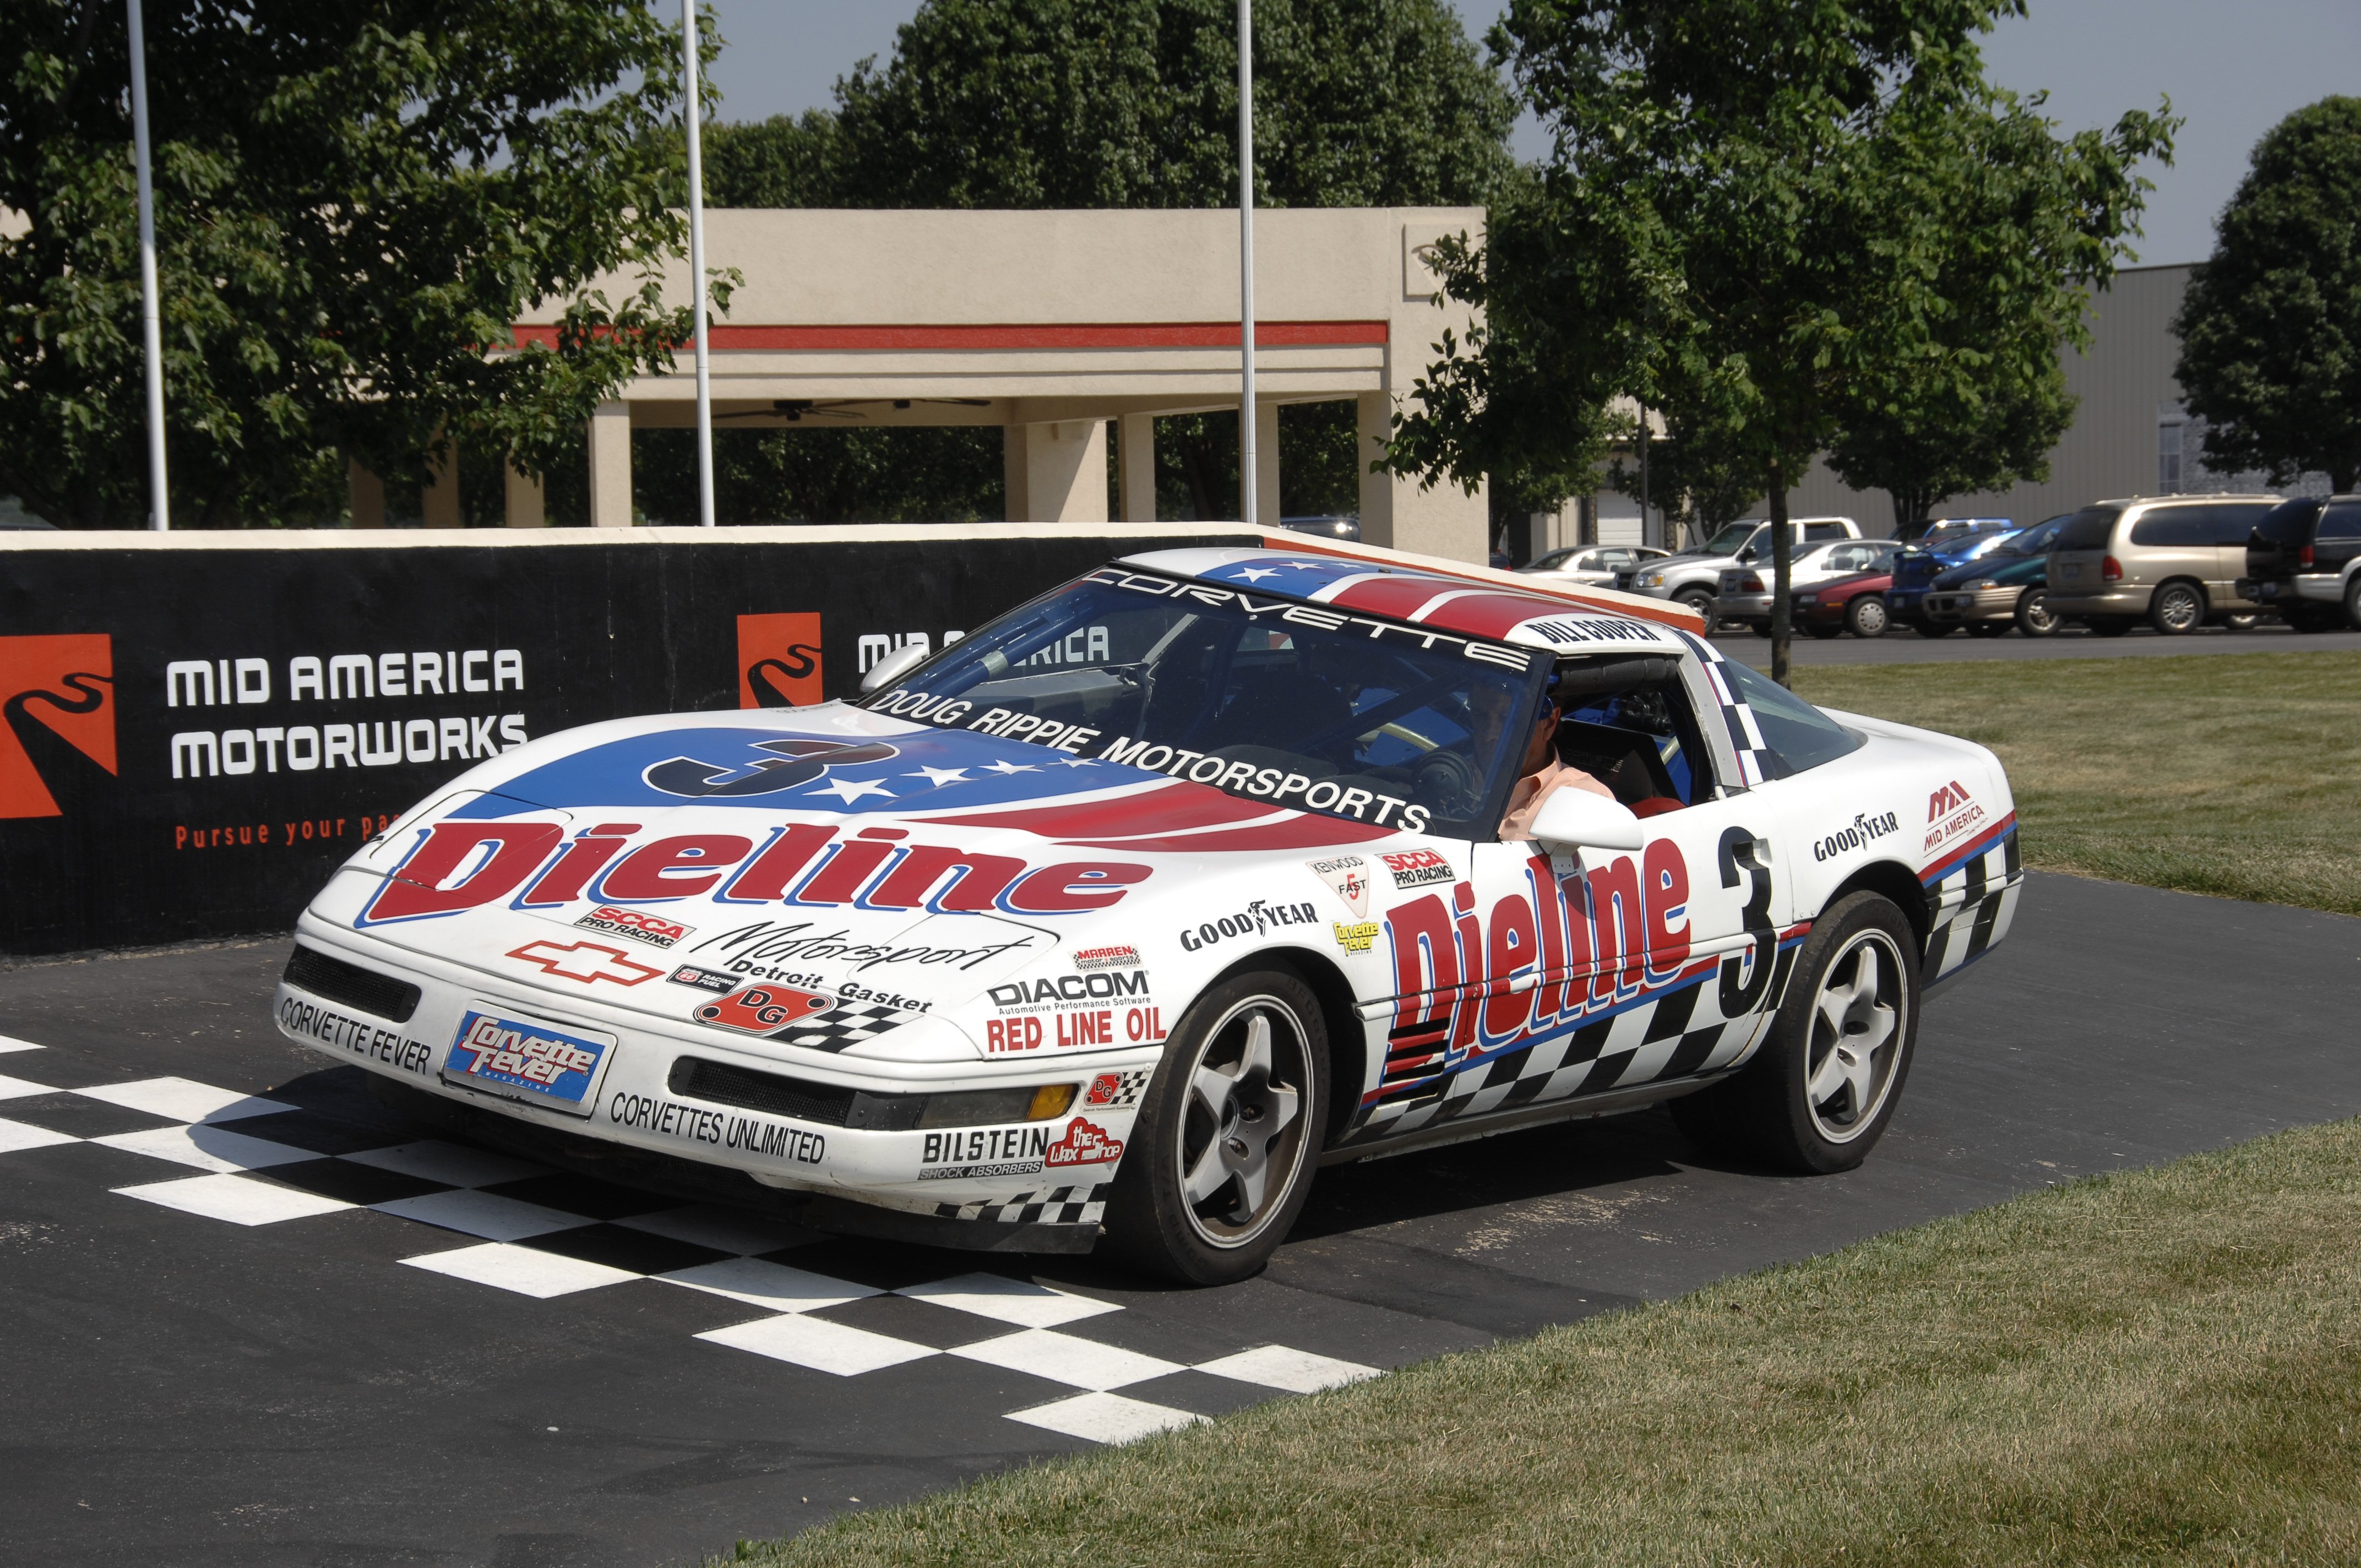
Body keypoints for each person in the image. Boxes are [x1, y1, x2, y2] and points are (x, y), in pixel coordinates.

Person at [1471, 676, 1614, 842]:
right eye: (1480, 716)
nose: (1489, 735)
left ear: (1549, 724)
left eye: (1507, 720)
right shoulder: (1442, 779)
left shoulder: (1589, 801)